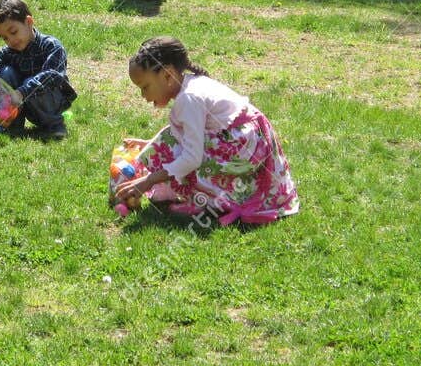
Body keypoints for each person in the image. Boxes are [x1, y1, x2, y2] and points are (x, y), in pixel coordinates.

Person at [113, 37, 299, 225]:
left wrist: (148, 181)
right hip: (249, 140)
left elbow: (192, 158)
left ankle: (203, 200)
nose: (143, 95)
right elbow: (188, 130)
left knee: (183, 158)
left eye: (145, 87)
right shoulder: (190, 84)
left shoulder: (188, 99)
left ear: (167, 75)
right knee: (168, 143)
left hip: (244, 150)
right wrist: (152, 144)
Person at [0, 0, 76, 138]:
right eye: (4, 37)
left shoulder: (51, 46)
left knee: (34, 82)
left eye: (13, 32)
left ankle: (55, 126)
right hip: (20, 104)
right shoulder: (10, 51)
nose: (10, 40)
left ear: (29, 22)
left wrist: (22, 92)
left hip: (49, 103)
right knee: (4, 72)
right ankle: (13, 123)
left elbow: (52, 75)